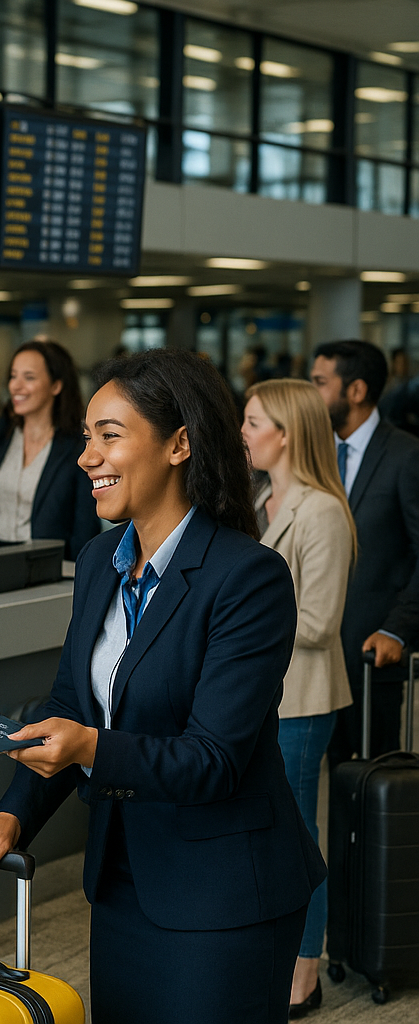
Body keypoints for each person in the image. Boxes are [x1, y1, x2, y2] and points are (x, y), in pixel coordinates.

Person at [0, 348, 326, 1024]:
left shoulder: (248, 578)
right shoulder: (101, 560)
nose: (87, 457)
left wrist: (89, 746)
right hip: (124, 882)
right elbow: (72, 706)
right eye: (88, 437)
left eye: (109, 436)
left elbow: (213, 759)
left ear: (180, 443)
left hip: (223, 894)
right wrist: (11, 816)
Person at [242, 378, 356, 1017]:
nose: (244, 432)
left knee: (299, 836)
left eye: (254, 421)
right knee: (272, 832)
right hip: (269, 696)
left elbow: (320, 620)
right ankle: (283, 956)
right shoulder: (266, 498)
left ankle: (304, 975)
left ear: (286, 432)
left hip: (305, 698)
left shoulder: (321, 511)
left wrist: (241, 623)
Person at [310, 340, 419, 766]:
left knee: (376, 781)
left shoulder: (406, 455)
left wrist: (397, 630)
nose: (311, 393)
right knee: (329, 774)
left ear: (355, 391)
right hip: (320, 655)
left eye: (320, 382)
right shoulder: (317, 453)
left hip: (373, 655)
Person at [0, 340, 99, 559]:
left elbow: (85, 525)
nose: (15, 386)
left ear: (56, 385)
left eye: (28, 378)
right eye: (13, 376)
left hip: (47, 563)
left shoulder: (78, 443)